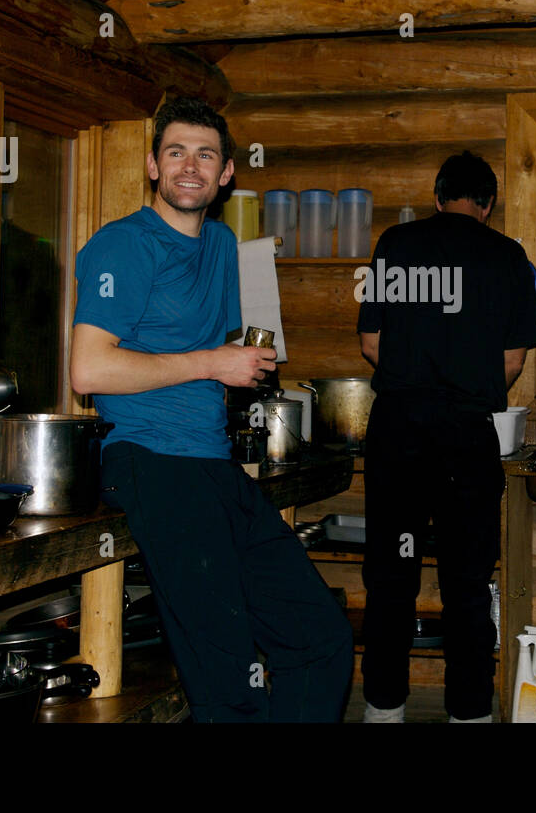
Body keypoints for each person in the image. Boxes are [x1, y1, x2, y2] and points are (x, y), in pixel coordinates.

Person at [70, 96, 353, 722]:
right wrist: (211, 363)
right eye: (176, 152)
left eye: (205, 154)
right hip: (145, 459)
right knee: (228, 678)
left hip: (211, 463)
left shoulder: (224, 245)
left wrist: (244, 363)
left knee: (321, 640)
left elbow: (229, 348)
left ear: (226, 173)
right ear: (153, 165)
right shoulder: (122, 246)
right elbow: (89, 370)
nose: (189, 166)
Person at [356, 150, 536, 723]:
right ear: (487, 206)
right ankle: (469, 713)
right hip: (466, 436)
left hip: (399, 432)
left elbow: (371, 345)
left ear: (438, 198)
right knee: (467, 580)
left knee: (391, 577)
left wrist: (417, 379)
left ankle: (383, 709)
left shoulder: (395, 243)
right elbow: (511, 362)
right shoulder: (510, 257)